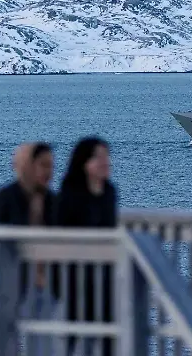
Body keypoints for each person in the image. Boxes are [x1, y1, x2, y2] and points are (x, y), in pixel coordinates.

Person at [0, 142, 58, 355]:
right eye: (43, 165)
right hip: (11, 286)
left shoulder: (53, 202)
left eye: (50, 166)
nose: (48, 172)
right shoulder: (4, 200)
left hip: (48, 287)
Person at [56, 136, 118, 356]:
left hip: (104, 275)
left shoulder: (109, 192)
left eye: (107, 157)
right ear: (84, 163)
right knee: (72, 334)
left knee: (109, 335)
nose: (105, 162)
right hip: (74, 277)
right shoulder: (69, 195)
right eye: (98, 157)